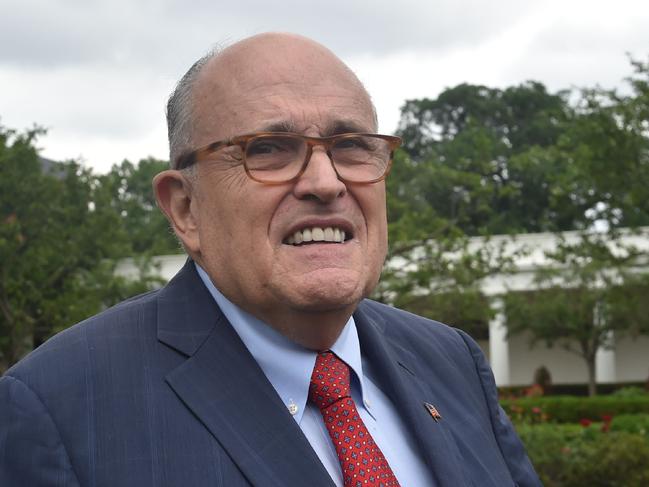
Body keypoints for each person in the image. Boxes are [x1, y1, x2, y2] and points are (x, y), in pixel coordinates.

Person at [0, 33, 541, 486]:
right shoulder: (58, 410)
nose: (326, 183)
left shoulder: (453, 361)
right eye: (268, 150)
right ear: (185, 208)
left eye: (351, 145)